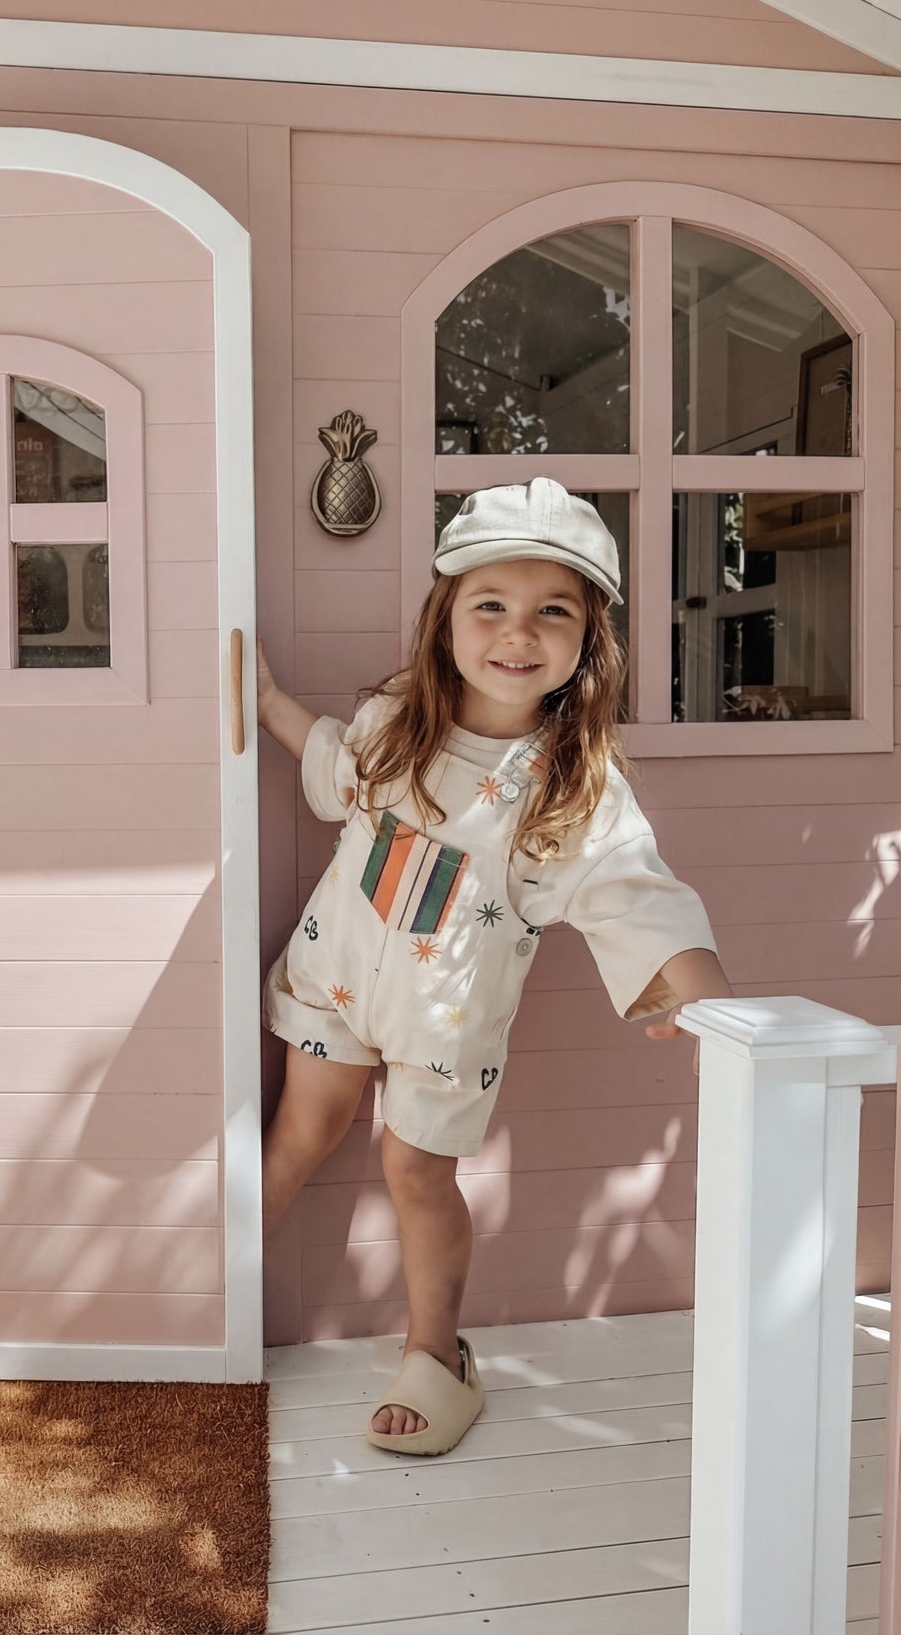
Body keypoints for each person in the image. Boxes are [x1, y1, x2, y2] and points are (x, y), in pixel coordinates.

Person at [256, 477, 733, 1457]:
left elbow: (631, 890)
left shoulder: (569, 785)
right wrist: (265, 699)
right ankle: (206, 1297)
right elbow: (331, 762)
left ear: (585, 641)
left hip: (445, 1018)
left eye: (550, 611)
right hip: (335, 979)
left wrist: (704, 1003)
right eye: (490, 606)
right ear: (444, 622)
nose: (517, 633)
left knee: (413, 1170)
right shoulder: (398, 722)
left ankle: (435, 1352)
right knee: (298, 1134)